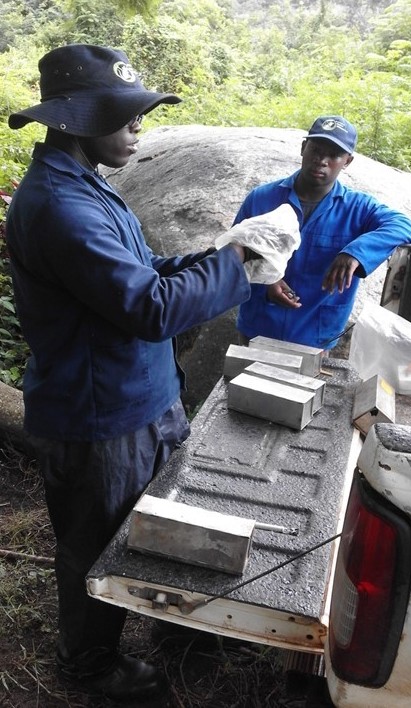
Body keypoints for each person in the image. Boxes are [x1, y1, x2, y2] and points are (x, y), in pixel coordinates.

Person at [5, 44, 270, 702]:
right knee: (97, 548)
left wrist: (216, 256)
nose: (137, 128)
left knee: (154, 527)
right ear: (72, 120)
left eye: (139, 114)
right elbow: (150, 308)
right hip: (100, 421)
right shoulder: (61, 210)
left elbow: (146, 275)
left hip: (142, 403)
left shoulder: (90, 190)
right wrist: (235, 264)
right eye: (123, 116)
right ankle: (89, 664)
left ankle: (173, 631)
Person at [233, 115, 411, 349]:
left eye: (334, 155)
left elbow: (405, 227)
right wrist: (267, 280)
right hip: (258, 326)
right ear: (303, 148)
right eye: (316, 150)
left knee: (307, 386)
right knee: (245, 384)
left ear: (348, 161)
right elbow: (231, 255)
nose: (322, 160)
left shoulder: (358, 208)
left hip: (316, 336)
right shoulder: (262, 198)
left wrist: (354, 253)